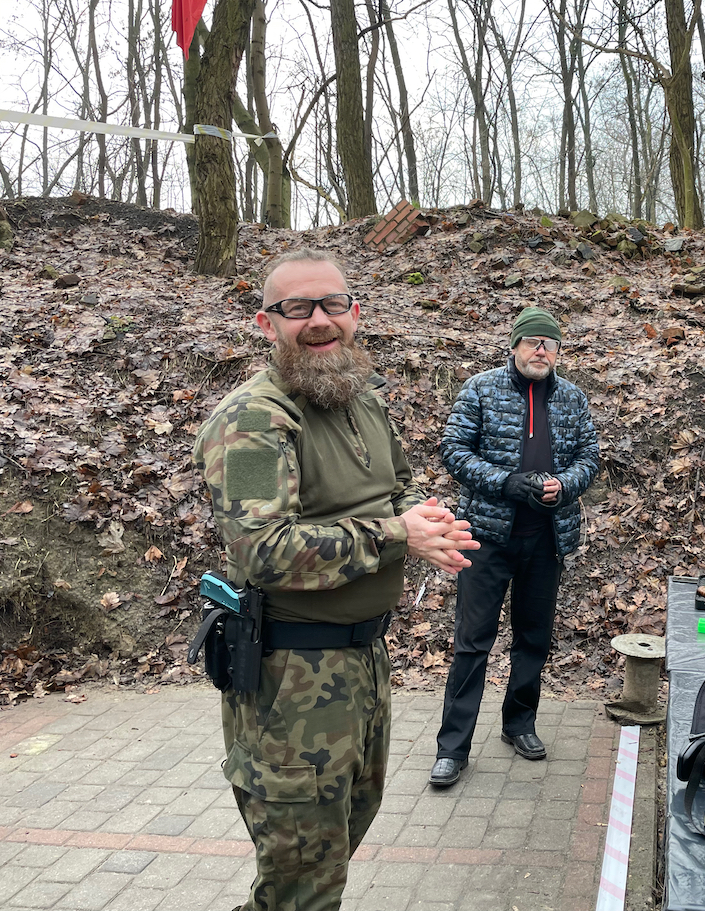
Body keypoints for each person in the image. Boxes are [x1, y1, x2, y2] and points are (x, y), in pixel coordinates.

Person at [192, 248, 479, 911]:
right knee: (303, 880)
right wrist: (396, 534)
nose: (319, 320)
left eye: (332, 305)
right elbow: (263, 549)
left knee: (336, 843)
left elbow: (395, 487)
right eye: (298, 308)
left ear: (355, 313)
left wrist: (424, 520)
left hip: (363, 663)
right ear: (267, 323)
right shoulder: (252, 424)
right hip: (290, 680)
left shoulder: (360, 399)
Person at [430, 306, 600, 787]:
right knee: (472, 642)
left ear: (558, 351)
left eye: (550, 344)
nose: (541, 351)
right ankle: (452, 748)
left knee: (533, 639)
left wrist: (565, 485)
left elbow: (589, 456)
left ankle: (519, 724)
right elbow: (453, 451)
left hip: (545, 539)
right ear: (514, 346)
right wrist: (505, 482)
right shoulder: (480, 389)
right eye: (532, 342)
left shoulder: (572, 398)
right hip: (485, 538)